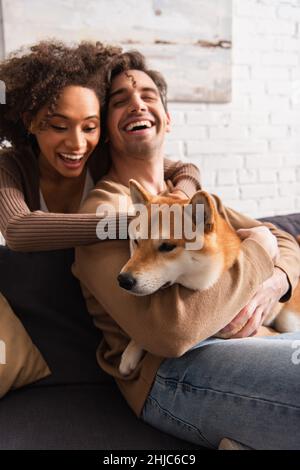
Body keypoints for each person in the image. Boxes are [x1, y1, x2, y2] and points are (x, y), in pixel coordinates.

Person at [72, 51, 300, 450]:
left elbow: (283, 240)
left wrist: (275, 282)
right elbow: (171, 333)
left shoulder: (189, 199)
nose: (137, 103)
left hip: (240, 345)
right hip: (167, 374)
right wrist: (259, 253)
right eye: (120, 100)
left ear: (168, 117)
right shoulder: (104, 212)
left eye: (148, 95)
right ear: (105, 130)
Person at [0, 40, 201, 252]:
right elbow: (18, 230)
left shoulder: (101, 157)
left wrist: (181, 197)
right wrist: (141, 223)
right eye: (59, 126)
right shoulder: (10, 167)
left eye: (89, 128)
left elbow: (185, 170)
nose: (77, 144)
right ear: (30, 121)